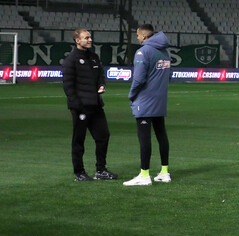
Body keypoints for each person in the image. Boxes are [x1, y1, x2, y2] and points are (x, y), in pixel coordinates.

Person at [62, 29, 118, 182]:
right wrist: (77, 106)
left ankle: (101, 170)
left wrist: (101, 85)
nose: (90, 40)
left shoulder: (94, 57)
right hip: (81, 108)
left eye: (90, 37)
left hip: (96, 105)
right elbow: (68, 86)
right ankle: (79, 172)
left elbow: (100, 75)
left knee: (103, 136)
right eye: (86, 38)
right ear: (77, 41)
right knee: (79, 141)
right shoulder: (71, 60)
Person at [123, 25, 172, 186]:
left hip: (145, 100)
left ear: (143, 35)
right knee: (161, 135)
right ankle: (164, 172)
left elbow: (138, 79)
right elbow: (168, 76)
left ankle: (144, 175)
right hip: (160, 100)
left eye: (137, 35)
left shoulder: (143, 52)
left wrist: (131, 95)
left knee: (144, 138)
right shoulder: (165, 51)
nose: (137, 38)